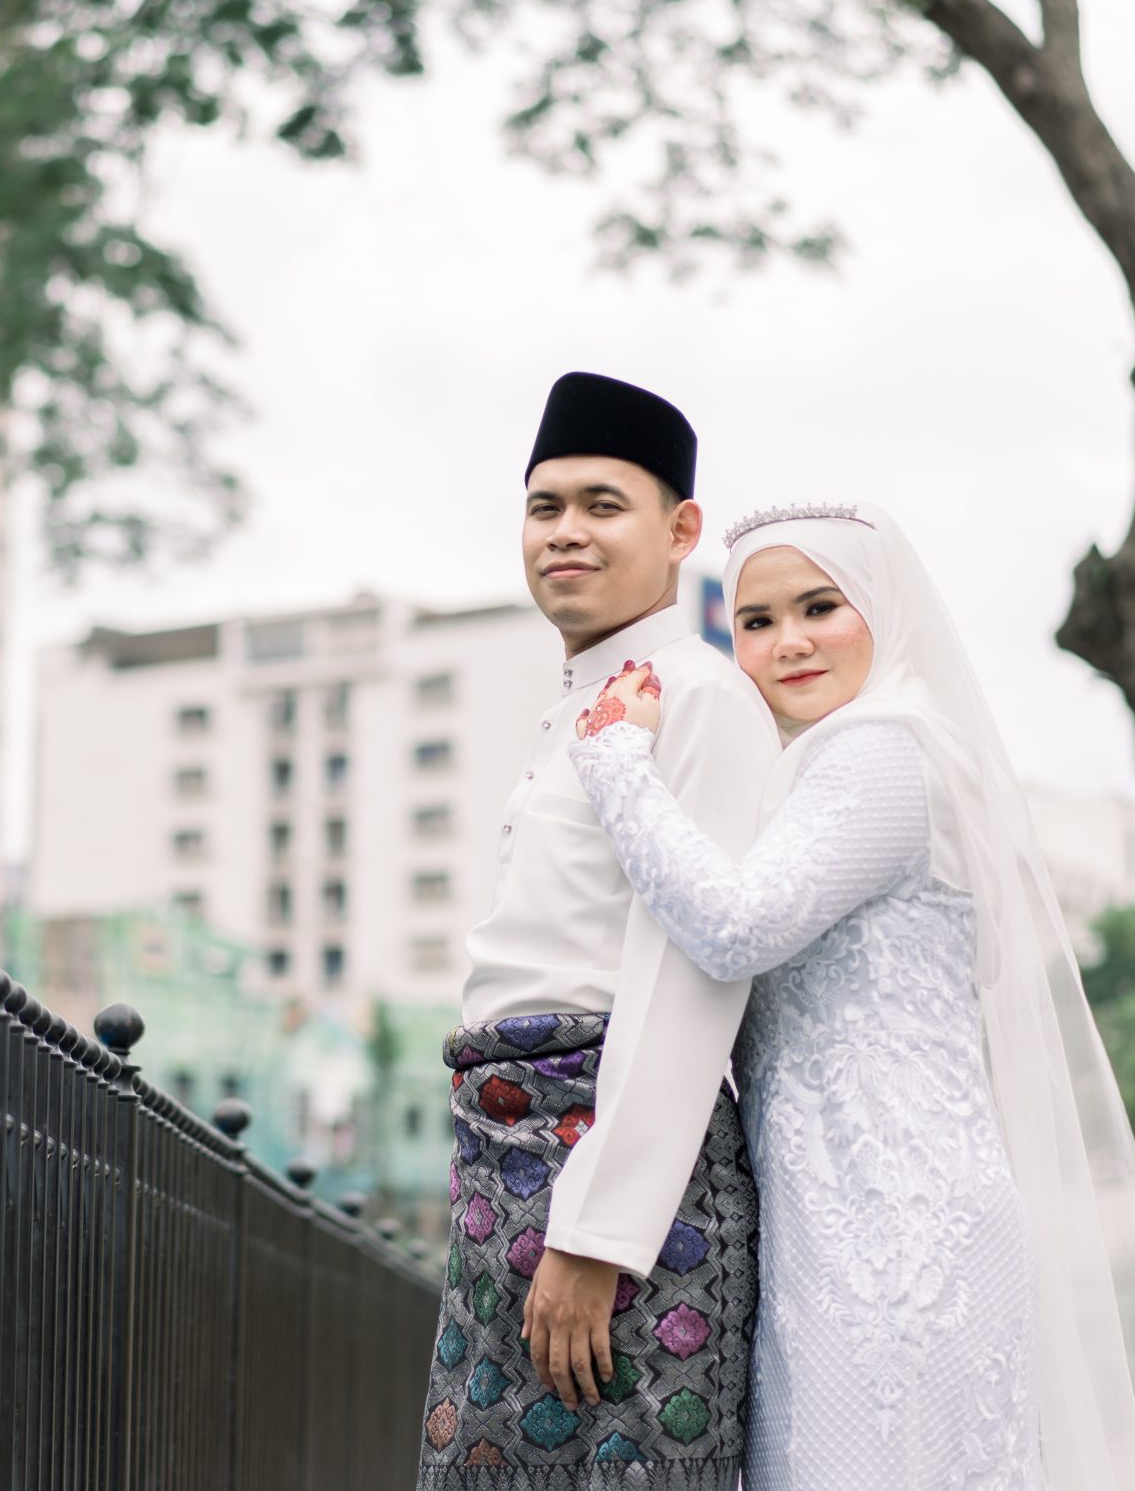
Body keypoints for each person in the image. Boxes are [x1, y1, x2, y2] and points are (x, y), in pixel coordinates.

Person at [566, 502, 1135, 1491]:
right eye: (756, 621)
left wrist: (617, 761)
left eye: (820, 606)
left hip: (900, 1235)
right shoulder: (824, 767)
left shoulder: (880, 752)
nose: (789, 642)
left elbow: (733, 928)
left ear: (884, 607)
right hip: (841, 1223)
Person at [417, 372, 778, 1488]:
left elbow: (691, 982)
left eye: (601, 505)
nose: (565, 531)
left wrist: (596, 1236)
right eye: (545, 507)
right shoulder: (584, 695)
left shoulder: (697, 693)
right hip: (502, 1164)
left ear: (680, 531)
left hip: (618, 1199)